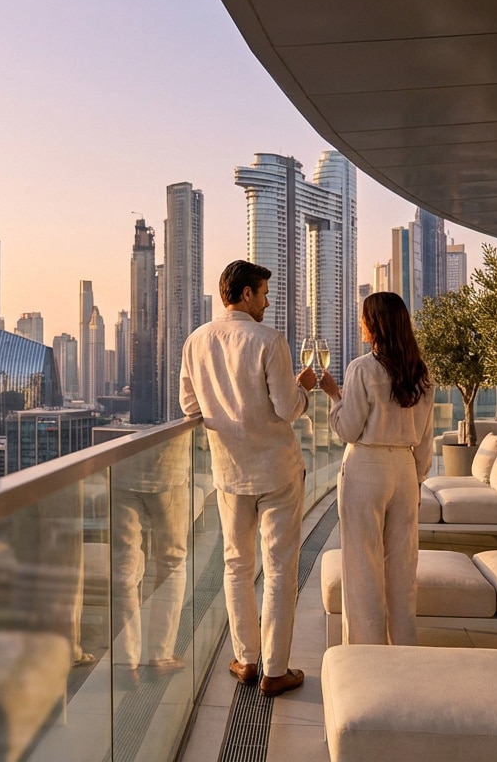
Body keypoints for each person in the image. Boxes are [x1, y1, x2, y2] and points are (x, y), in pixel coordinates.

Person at [180, 259, 316, 697]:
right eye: (262, 293)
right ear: (244, 295)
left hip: (229, 472)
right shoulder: (269, 340)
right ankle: (275, 671)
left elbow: (190, 409)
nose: (267, 301)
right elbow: (286, 408)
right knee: (279, 569)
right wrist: (305, 390)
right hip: (276, 470)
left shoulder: (195, 341)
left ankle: (246, 660)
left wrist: (228, 416)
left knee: (237, 566)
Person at [318, 291, 434, 645]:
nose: (359, 323)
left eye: (363, 317)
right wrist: (416, 482)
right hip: (404, 468)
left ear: (376, 324)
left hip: (366, 467)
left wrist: (334, 396)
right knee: (402, 567)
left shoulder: (363, 369)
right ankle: (402, 648)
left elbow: (347, 429)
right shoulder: (421, 373)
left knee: (362, 565)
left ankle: (366, 655)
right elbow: (426, 440)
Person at [109, 434, 190, 685]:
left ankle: (126, 663)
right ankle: (160, 656)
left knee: (124, 566)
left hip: (121, 467)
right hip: (168, 469)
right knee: (172, 561)